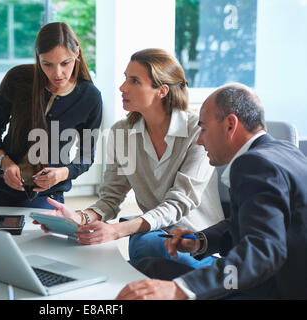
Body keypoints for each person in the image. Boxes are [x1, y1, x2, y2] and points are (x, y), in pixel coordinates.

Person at [116, 83, 307, 300]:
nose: (199, 139)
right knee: (150, 266)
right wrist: (201, 240)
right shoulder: (286, 151)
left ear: (230, 125)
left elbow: (262, 254)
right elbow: (256, 222)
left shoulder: (253, 164)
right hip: (277, 280)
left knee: (151, 274)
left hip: (275, 290)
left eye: (204, 128)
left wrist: (180, 289)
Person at [36, 48, 224, 269]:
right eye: (126, 78)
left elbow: (178, 203)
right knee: (137, 246)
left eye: (134, 81)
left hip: (198, 247)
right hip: (157, 238)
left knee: (144, 245)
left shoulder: (197, 131)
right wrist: (79, 218)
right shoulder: (121, 133)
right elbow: (110, 199)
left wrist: (117, 231)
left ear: (162, 91)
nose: (122, 87)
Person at [0, 22, 102, 209]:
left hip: (46, 193)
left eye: (65, 63)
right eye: (47, 64)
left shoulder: (90, 96)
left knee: (41, 237)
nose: (57, 73)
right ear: (38, 58)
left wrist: (62, 174)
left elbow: (86, 156)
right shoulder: (18, 79)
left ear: (76, 52)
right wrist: (5, 164)